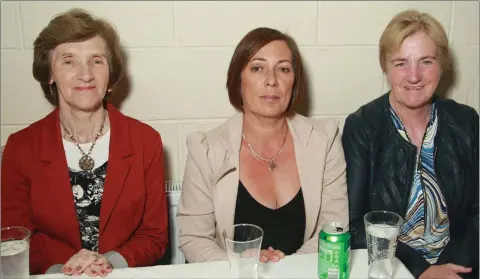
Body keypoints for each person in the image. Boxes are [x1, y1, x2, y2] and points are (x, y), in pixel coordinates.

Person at [1, 9, 169, 276]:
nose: (85, 74)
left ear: (110, 74)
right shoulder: (20, 148)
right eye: (69, 61)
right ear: (50, 74)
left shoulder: (145, 141)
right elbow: (14, 239)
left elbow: (154, 235)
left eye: (97, 61)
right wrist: (64, 269)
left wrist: (111, 262)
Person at [177, 27, 348, 263]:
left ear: (294, 81)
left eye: (283, 69)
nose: (271, 81)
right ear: (238, 79)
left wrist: (286, 269)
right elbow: (194, 239)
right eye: (257, 68)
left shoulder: (325, 139)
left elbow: (333, 227)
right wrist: (243, 266)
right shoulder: (206, 149)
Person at [342, 9, 478, 279]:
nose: (414, 76)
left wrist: (454, 269)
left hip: (461, 265)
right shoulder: (362, 127)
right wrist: (421, 270)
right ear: (385, 67)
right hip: (391, 268)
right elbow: (355, 226)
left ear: (442, 64)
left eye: (426, 61)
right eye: (401, 63)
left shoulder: (466, 121)